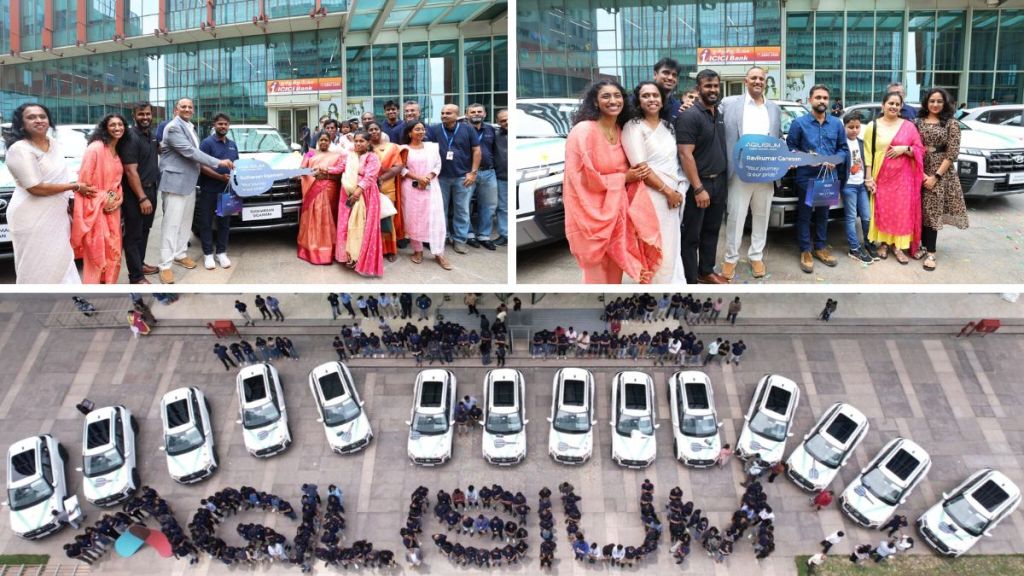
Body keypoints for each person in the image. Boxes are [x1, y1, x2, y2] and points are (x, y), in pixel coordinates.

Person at [563, 80, 660, 283]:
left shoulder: (620, 130)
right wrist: (624, 178)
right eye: (606, 96)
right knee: (596, 277)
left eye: (617, 96)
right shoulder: (583, 131)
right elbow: (578, 178)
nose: (613, 100)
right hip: (591, 216)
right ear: (596, 103)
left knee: (615, 275)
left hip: (618, 215)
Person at [4, 103, 95, 283]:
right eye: (31, 117)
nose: (38, 120)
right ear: (21, 123)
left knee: (62, 260)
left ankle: (70, 301)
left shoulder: (55, 144)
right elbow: (35, 187)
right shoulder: (19, 149)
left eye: (42, 116)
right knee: (36, 266)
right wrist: (74, 187)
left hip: (56, 216)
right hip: (30, 217)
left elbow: (61, 175)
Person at [157, 98, 235, 284]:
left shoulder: (189, 127)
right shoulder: (174, 127)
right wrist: (218, 163)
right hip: (175, 182)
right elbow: (190, 152)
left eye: (190, 107)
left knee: (185, 223)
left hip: (189, 183)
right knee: (171, 225)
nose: (187, 109)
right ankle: (165, 265)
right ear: (176, 109)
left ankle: (180, 254)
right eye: (183, 106)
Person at [720, 66, 783, 280]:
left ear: (766, 82)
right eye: (754, 77)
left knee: (762, 214)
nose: (758, 81)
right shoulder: (729, 104)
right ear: (746, 81)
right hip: (739, 170)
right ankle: (730, 259)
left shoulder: (774, 108)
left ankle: (756, 255)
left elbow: (778, 137)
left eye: (761, 78)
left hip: (766, 172)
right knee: (736, 216)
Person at [622, 81, 686, 284]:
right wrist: (668, 191)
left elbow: (675, 161)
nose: (651, 99)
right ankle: (652, 289)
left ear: (662, 99)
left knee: (671, 243)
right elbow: (640, 167)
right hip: (650, 194)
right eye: (645, 96)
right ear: (638, 101)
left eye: (655, 95)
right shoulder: (633, 127)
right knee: (653, 243)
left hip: (673, 194)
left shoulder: (668, 126)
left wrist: (676, 191)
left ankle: (670, 286)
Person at [787, 85, 849, 274]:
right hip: (806, 177)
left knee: (823, 215)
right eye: (818, 97)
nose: (822, 101)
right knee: (804, 216)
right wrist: (806, 158)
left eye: (825, 98)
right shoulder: (799, 124)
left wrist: (835, 160)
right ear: (810, 100)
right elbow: (791, 149)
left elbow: (843, 149)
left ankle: (820, 247)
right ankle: (805, 250)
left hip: (828, 177)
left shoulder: (837, 124)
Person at [677, 69, 729, 284]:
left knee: (712, 230)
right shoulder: (689, 115)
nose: (713, 90)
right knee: (692, 236)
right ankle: (690, 280)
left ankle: (706, 270)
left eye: (715, 86)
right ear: (698, 89)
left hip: (719, 182)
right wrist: (698, 188)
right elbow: (684, 153)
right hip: (699, 185)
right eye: (708, 86)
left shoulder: (718, 114)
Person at [864, 91, 925, 264]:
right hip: (880, 174)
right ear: (883, 105)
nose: (894, 107)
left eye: (898, 104)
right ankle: (883, 243)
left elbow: (920, 150)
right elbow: (868, 153)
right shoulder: (872, 126)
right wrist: (869, 178)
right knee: (883, 209)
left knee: (901, 210)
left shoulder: (909, 126)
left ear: (901, 107)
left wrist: (904, 149)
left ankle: (898, 246)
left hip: (903, 178)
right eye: (891, 103)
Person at [915, 87, 968, 271]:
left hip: (940, 171)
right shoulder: (918, 122)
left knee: (932, 211)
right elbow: (914, 147)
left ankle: (931, 252)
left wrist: (935, 176)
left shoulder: (951, 123)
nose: (935, 104)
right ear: (926, 103)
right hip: (919, 168)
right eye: (932, 101)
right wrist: (921, 174)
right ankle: (921, 246)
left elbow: (952, 153)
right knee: (920, 210)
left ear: (945, 103)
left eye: (939, 101)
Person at [72, 113, 127, 284]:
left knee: (114, 249)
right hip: (97, 209)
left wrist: (118, 198)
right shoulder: (95, 148)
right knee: (97, 251)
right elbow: (84, 183)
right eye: (113, 125)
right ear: (105, 127)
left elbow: (116, 183)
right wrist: (104, 199)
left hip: (113, 209)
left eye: (120, 124)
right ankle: (94, 289)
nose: (117, 128)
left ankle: (109, 284)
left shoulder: (117, 149)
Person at [400, 121, 453, 270]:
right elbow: (401, 169)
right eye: (417, 129)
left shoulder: (432, 147)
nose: (421, 132)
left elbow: (438, 165)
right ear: (410, 132)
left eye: (422, 129)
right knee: (413, 220)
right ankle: (418, 251)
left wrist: (428, 177)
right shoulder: (403, 149)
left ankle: (439, 253)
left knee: (435, 220)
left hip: (431, 187)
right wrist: (418, 178)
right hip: (411, 188)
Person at [119, 101, 161, 284]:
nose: (145, 117)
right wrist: (142, 197)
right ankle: (136, 277)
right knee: (133, 235)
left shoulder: (150, 135)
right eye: (141, 114)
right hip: (136, 194)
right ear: (134, 116)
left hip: (151, 190)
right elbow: (130, 171)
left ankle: (140, 264)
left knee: (145, 230)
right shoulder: (130, 137)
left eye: (147, 114)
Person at [431, 104, 480, 254]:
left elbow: (476, 150)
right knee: (440, 210)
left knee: (462, 210)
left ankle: (460, 240)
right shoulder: (435, 130)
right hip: (441, 177)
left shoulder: (468, 129)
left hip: (462, 177)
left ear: (457, 115)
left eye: (448, 113)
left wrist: (473, 172)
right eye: (442, 112)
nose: (444, 115)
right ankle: (443, 237)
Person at [334, 130, 385, 277]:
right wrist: (324, 170)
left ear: (368, 143)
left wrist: (357, 192)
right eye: (356, 141)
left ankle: (362, 259)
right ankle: (349, 256)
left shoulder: (372, 157)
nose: (358, 143)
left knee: (363, 225)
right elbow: (339, 168)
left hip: (366, 194)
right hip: (347, 192)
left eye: (362, 141)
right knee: (347, 224)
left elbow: (370, 177)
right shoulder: (350, 156)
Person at [197, 113, 239, 270]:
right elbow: (201, 165)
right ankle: (208, 254)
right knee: (206, 222)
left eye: (226, 124)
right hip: (209, 189)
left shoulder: (233, 144)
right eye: (220, 124)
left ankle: (221, 252)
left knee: (224, 223)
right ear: (214, 125)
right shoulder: (207, 143)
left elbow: (237, 166)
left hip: (227, 191)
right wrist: (220, 177)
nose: (223, 126)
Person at [297, 132, 343, 264]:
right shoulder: (310, 153)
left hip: (330, 189)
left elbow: (339, 175)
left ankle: (330, 250)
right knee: (314, 216)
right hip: (313, 187)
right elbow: (301, 169)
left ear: (330, 141)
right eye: (321, 140)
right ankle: (312, 249)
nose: (323, 142)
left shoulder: (337, 156)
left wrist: (326, 176)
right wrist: (313, 173)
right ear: (317, 141)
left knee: (329, 218)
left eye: (326, 140)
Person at [367, 121, 404, 262]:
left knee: (387, 220)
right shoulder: (364, 148)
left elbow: (399, 166)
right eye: (370, 130)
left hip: (387, 189)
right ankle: (373, 249)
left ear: (381, 131)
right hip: (368, 189)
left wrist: (381, 179)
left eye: (376, 129)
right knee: (371, 221)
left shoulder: (391, 147)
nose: (374, 132)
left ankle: (389, 250)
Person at [841, 113, 875, 264]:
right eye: (851, 127)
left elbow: (867, 160)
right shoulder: (842, 143)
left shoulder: (861, 143)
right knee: (850, 217)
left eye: (857, 127)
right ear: (844, 127)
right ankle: (854, 248)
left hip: (861, 185)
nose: (854, 130)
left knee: (867, 216)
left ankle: (868, 243)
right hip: (849, 186)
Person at [465, 103, 499, 250]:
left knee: (489, 205)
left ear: (485, 114)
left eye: (479, 111)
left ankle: (484, 235)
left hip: (488, 172)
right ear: (467, 115)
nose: (476, 114)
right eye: (472, 112)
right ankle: (468, 234)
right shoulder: (463, 130)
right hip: (468, 172)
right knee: (464, 205)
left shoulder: (492, 130)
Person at [494, 108, 509, 246]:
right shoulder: (495, 134)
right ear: (498, 122)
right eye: (503, 121)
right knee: (503, 207)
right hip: (502, 177)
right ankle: (504, 234)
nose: (507, 122)